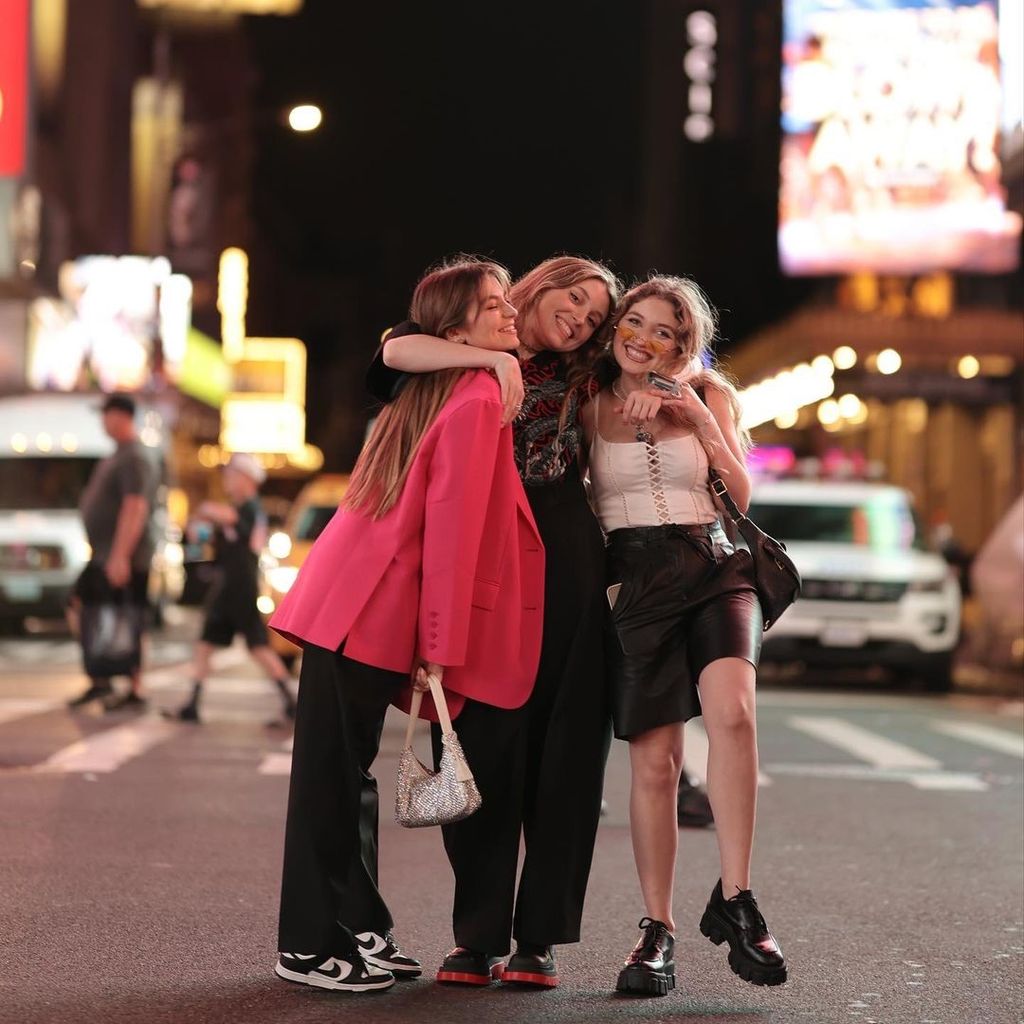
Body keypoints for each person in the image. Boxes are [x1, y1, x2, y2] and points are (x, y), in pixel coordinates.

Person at [269, 257, 545, 994]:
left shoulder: (438, 387)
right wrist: (441, 651)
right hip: (366, 610)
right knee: (330, 781)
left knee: (343, 775)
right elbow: (452, 537)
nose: (509, 315)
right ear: (455, 327)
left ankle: (360, 925)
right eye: (492, 307)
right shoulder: (477, 394)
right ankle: (306, 944)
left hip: (358, 605)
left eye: (507, 303)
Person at [371, 255, 619, 988]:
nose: (580, 318)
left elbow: (662, 358)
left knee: (566, 753)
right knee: (477, 741)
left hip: (568, 559)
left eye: (594, 317)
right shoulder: (466, 351)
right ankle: (475, 935)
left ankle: (537, 940)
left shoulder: (590, 374)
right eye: (574, 298)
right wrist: (491, 358)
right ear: (540, 286)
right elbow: (390, 352)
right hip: (486, 556)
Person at [581, 275, 787, 995]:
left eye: (664, 331)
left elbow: (741, 491)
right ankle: (658, 928)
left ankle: (737, 898)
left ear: (684, 342)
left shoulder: (710, 395)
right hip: (633, 574)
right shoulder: (587, 399)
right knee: (657, 763)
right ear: (614, 330)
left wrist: (696, 418)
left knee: (733, 710)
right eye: (633, 323)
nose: (644, 338)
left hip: (713, 561)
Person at [165, 453, 296, 725]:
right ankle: (193, 702)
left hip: (240, 586)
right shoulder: (237, 509)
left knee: (257, 646)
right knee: (208, 643)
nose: (227, 479)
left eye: (233, 474)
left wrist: (206, 511)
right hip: (229, 585)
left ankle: (291, 702)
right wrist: (196, 530)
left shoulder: (249, 508)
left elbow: (226, 518)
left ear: (248, 479)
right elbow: (206, 535)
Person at [67, 393, 157, 711]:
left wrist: (121, 556)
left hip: (122, 556)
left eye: (106, 414)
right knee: (86, 607)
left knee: (129, 617)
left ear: (121, 416)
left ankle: (133, 686)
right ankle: (101, 679)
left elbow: (136, 507)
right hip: (105, 553)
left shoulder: (134, 456)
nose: (103, 421)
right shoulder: (119, 454)